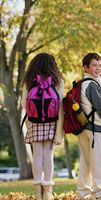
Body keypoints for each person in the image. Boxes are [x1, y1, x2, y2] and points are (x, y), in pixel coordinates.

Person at [21, 53, 64, 200]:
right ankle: (48, 191)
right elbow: (60, 107)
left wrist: (30, 121)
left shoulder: (28, 81)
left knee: (37, 155)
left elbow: (23, 104)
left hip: (34, 122)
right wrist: (59, 133)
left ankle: (37, 191)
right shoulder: (57, 81)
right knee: (48, 155)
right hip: (51, 121)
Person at [76, 53, 101, 199]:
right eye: (94, 65)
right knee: (98, 162)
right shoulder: (92, 84)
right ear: (86, 67)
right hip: (96, 129)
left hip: (84, 128)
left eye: (99, 65)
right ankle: (99, 192)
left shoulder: (82, 84)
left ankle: (83, 192)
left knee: (85, 162)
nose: (98, 68)